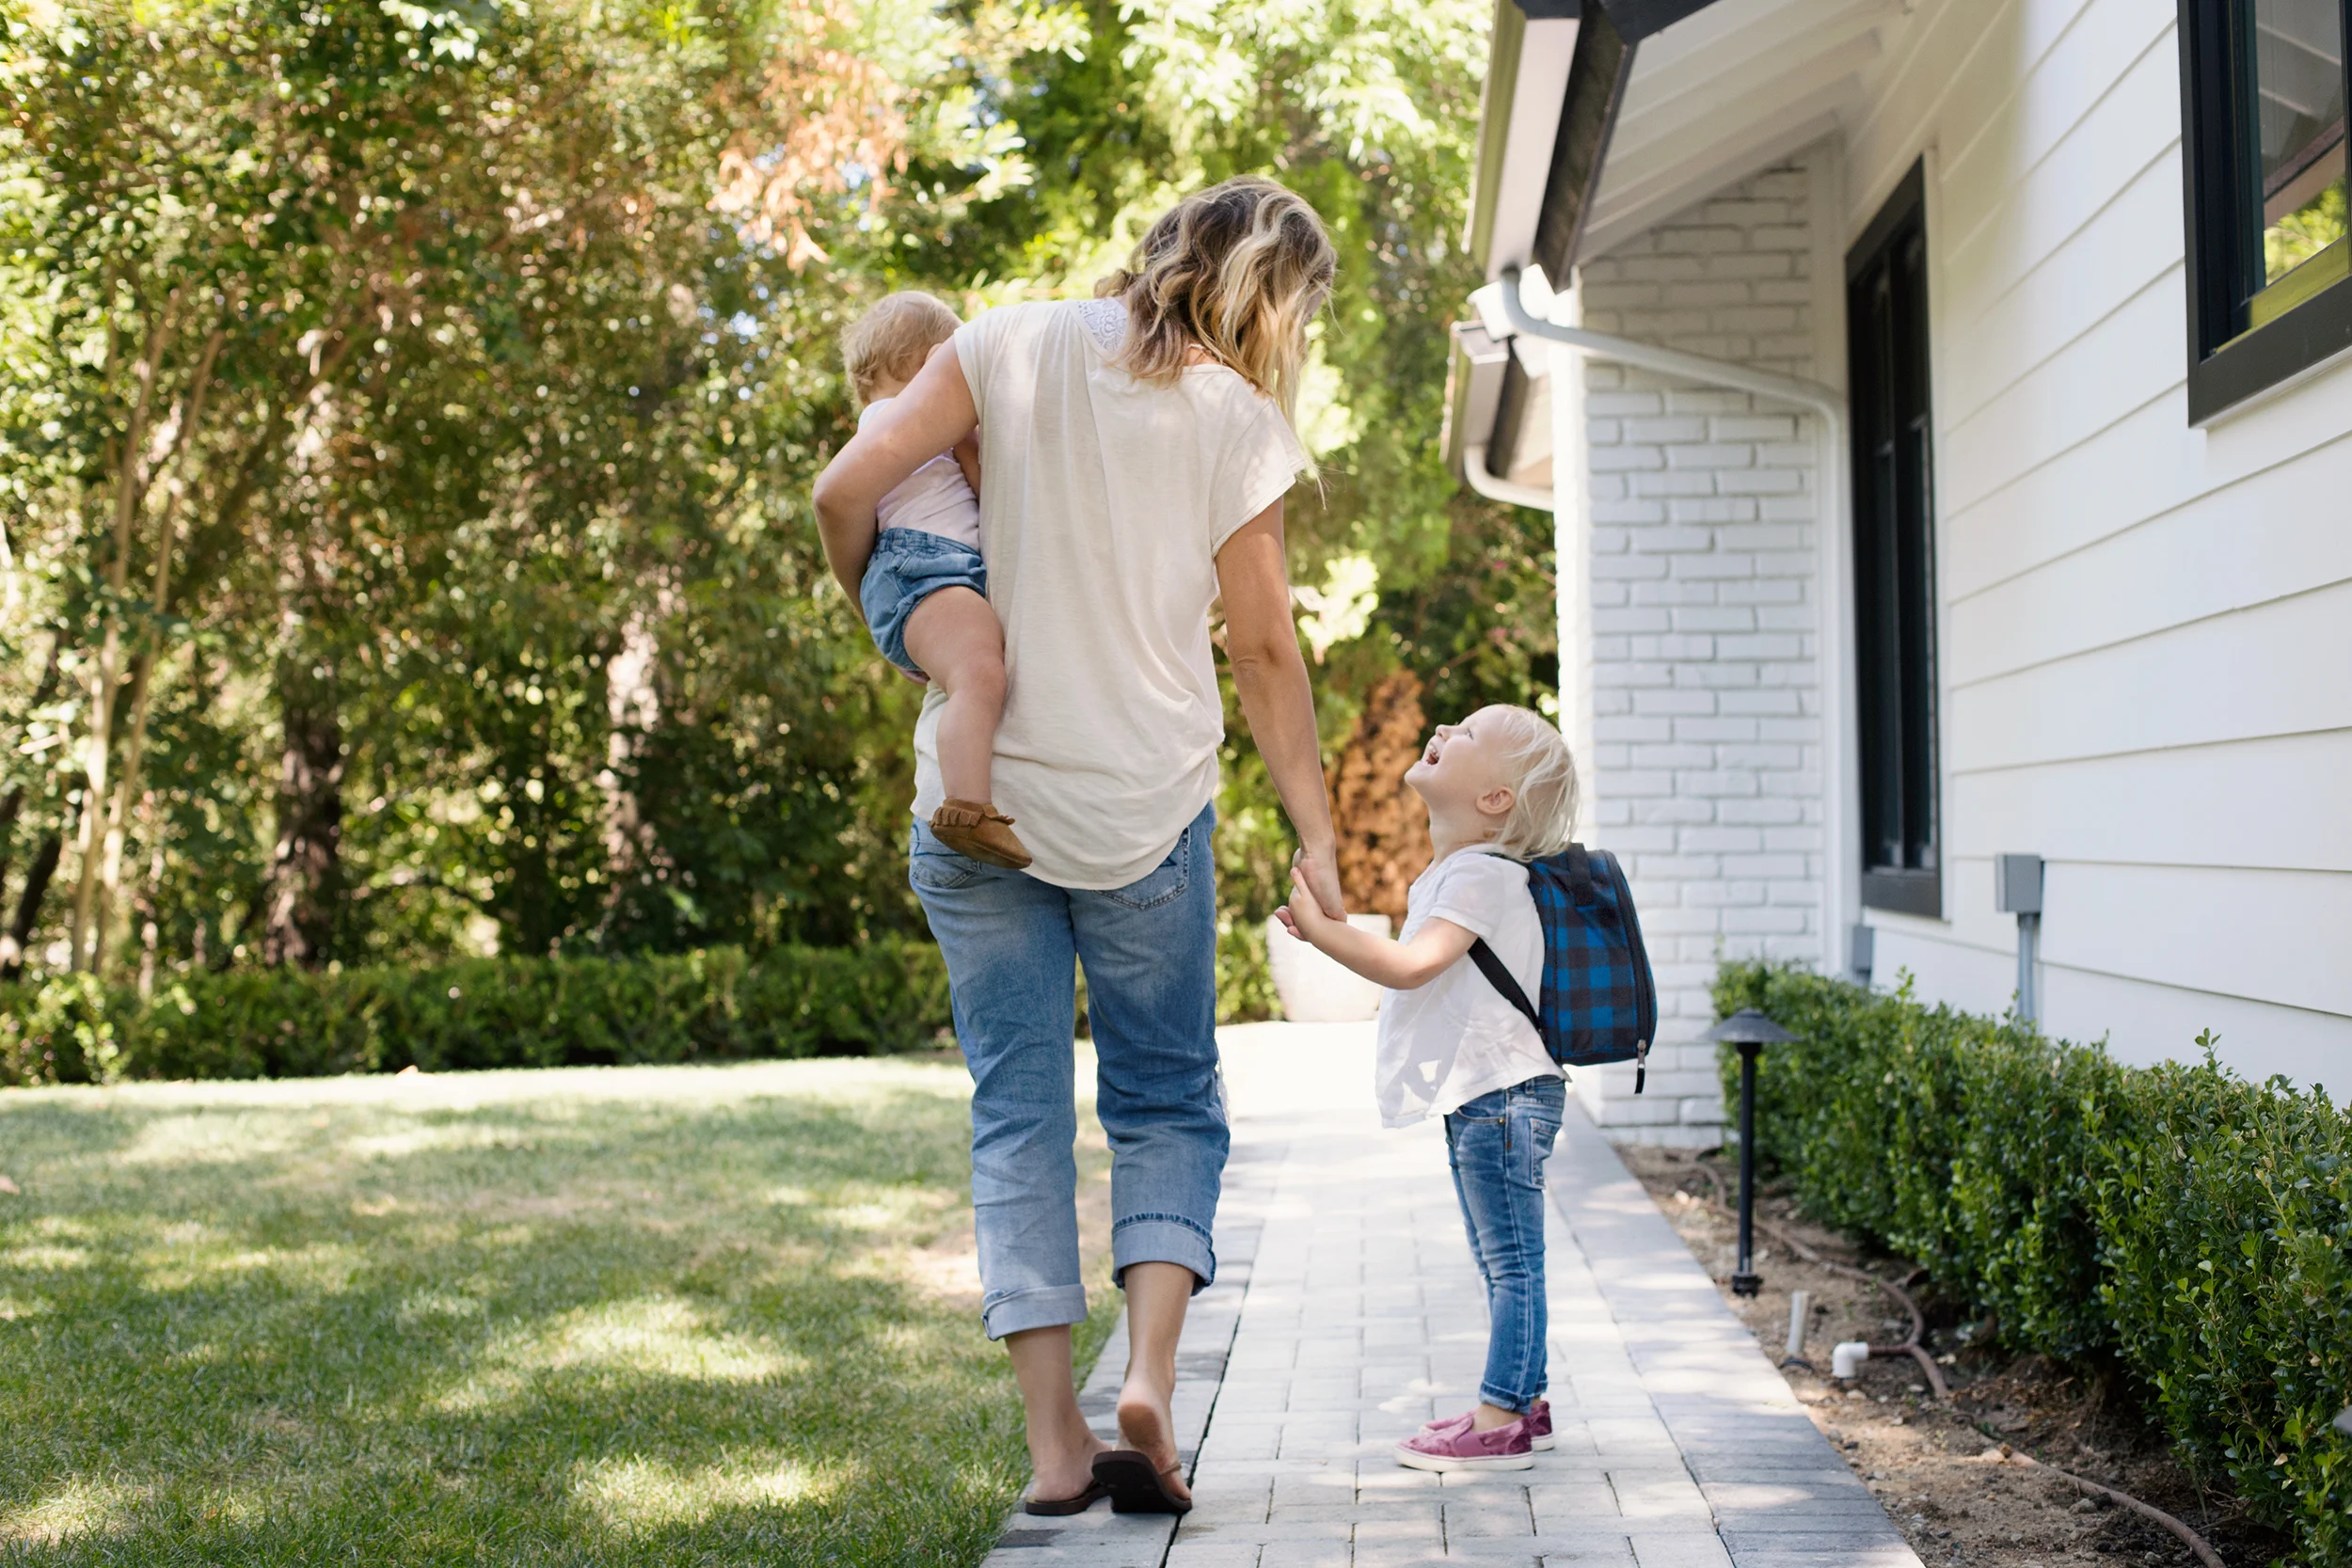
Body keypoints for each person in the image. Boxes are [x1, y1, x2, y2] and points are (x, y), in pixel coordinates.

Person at [811, 176, 1345, 1516]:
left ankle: (1057, 1449)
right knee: (1165, 1099)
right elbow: (1267, 648)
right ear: (1272, 305)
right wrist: (1319, 831)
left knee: (1018, 1111)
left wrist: (896, 622)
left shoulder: (1004, 337)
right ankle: (1149, 1370)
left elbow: (846, 487)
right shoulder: (1239, 421)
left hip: (978, 807)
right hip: (1142, 811)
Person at [1276, 705, 1580, 1472]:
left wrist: (1323, 935)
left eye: (1468, 735)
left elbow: (1413, 967)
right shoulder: (1466, 871)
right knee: (1502, 1256)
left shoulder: (1480, 875)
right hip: (1492, 1095)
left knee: (1511, 1261)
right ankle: (1524, 1399)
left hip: (1503, 1096)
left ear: (1495, 801)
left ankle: (1501, 1415)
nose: (1443, 730)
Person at [836, 292, 1028, 869]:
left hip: (904, 573)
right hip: (931, 565)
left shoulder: (872, 430)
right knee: (979, 675)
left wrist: (885, 618)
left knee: (969, 675)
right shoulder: (928, 422)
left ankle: (968, 804)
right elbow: (987, 482)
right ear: (932, 363)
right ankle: (968, 809)